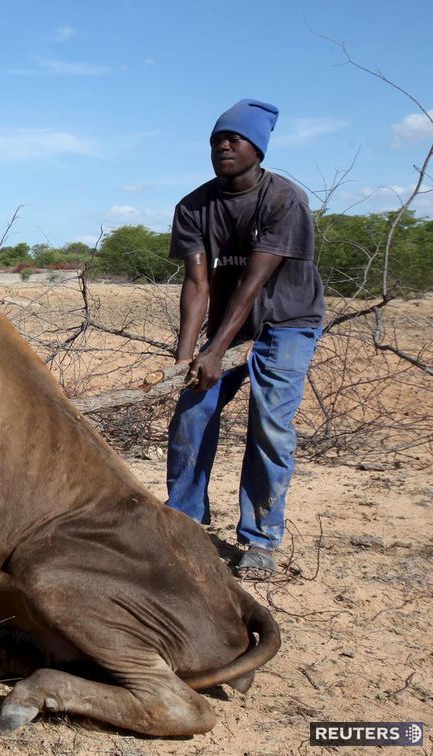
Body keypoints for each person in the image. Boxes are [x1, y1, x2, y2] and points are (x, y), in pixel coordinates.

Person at [165, 99, 325, 579]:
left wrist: (215, 351)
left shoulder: (284, 199)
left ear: (259, 147)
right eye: (217, 140)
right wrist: (185, 357)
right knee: (192, 413)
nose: (224, 147)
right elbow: (197, 285)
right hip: (231, 326)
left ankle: (259, 540)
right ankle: (185, 522)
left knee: (269, 425)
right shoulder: (194, 206)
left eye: (234, 139)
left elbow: (254, 282)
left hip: (287, 321)